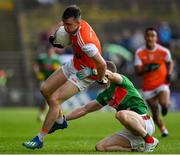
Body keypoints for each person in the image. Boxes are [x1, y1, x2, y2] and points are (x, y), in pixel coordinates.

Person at [22, 5, 107, 149]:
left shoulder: (86, 43)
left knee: (55, 99)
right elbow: (64, 23)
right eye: (64, 23)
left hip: (86, 73)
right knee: (45, 89)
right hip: (75, 63)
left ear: (78, 23)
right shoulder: (76, 23)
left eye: (68, 25)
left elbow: (103, 64)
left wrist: (99, 78)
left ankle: (40, 138)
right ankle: (60, 120)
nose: (66, 28)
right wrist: (55, 33)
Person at [63, 61, 158, 152]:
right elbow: (84, 109)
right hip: (131, 130)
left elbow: (112, 75)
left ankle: (149, 140)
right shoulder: (105, 95)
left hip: (144, 122)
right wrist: (63, 119)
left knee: (121, 114)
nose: (96, 78)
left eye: (100, 72)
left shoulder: (121, 80)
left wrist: (96, 70)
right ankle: (136, 148)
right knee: (100, 147)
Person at [134, 27, 174, 137]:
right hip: (148, 87)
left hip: (162, 83)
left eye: (153, 36)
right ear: (145, 37)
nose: (150, 38)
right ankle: (163, 129)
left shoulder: (163, 51)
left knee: (164, 104)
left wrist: (169, 74)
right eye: (148, 35)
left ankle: (166, 107)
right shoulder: (140, 52)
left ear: (156, 38)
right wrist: (147, 68)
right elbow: (137, 72)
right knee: (155, 112)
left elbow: (170, 62)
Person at [33, 46, 61, 122]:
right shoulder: (42, 58)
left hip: (53, 81)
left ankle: (47, 114)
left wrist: (56, 69)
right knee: (46, 98)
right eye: (49, 50)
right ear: (46, 51)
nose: (50, 52)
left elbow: (60, 69)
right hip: (44, 80)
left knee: (51, 98)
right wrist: (37, 73)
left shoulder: (56, 58)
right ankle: (49, 114)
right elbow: (35, 65)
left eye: (51, 50)